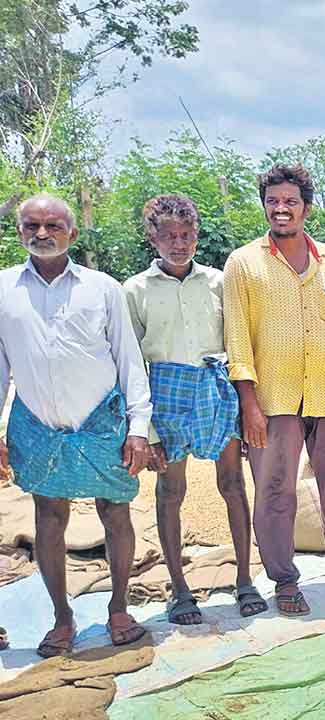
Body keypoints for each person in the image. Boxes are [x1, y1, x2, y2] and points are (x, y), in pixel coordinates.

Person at [223, 164, 325, 615]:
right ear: (265, 206)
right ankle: (284, 580)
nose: (281, 208)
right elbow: (238, 339)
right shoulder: (244, 263)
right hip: (274, 399)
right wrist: (248, 404)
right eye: (273, 201)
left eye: (290, 201)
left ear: (306, 207)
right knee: (275, 489)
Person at [0, 194, 152, 656]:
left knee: (115, 512)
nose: (42, 234)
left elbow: (129, 357)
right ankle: (62, 618)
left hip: (103, 422)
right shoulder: (4, 288)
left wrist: (139, 427)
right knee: (49, 516)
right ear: (20, 230)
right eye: (32, 225)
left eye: (53, 226)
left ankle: (119, 608)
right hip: (38, 426)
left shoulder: (102, 287)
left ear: (73, 233)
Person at [123, 194, 266, 624]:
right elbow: (130, 362)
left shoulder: (219, 282)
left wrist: (245, 406)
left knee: (233, 484)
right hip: (164, 393)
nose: (179, 244)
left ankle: (245, 580)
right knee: (171, 491)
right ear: (153, 238)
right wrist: (144, 432)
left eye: (186, 235)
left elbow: (238, 344)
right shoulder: (135, 290)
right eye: (168, 236)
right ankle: (180, 590)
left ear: (196, 235)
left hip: (214, 388)